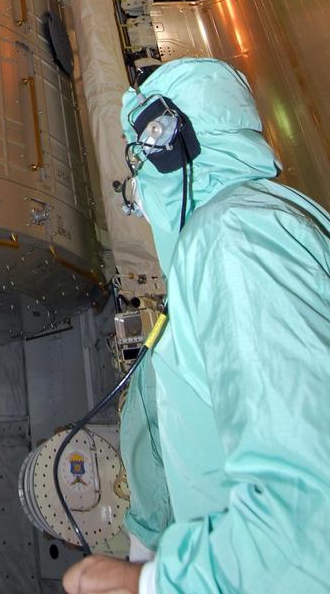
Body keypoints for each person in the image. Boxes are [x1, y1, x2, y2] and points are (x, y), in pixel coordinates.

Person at [63, 56, 330, 594]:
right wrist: (148, 548)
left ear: (172, 145)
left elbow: (309, 525)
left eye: (140, 160)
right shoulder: (229, 240)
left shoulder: (237, 240)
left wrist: (156, 583)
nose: (135, 191)